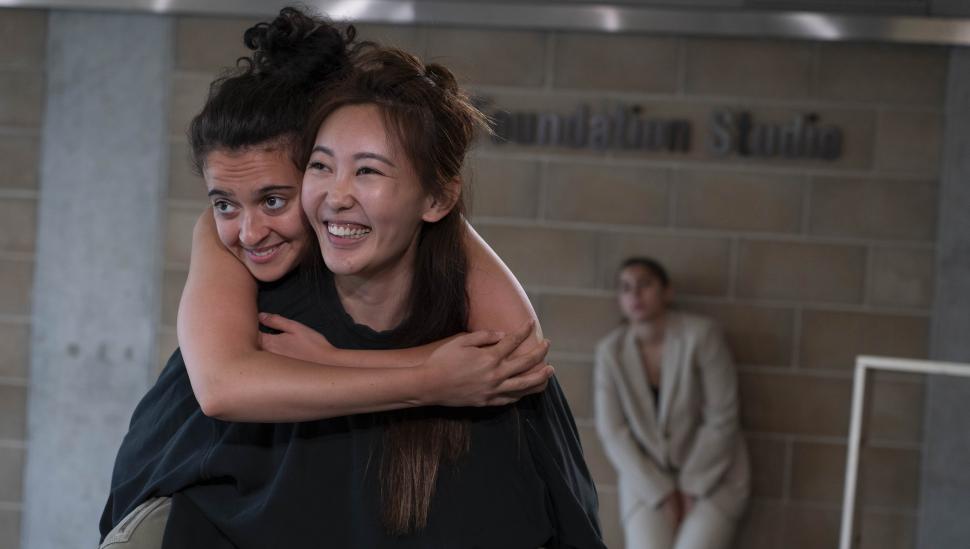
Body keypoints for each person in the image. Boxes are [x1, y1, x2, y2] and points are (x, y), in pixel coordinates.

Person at [99, 10, 555, 548]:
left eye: (275, 199)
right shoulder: (222, 236)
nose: (250, 231)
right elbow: (224, 387)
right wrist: (429, 379)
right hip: (204, 468)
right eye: (225, 203)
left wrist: (335, 360)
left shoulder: (390, 216)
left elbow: (515, 352)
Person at [594, 257, 750, 549]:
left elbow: (723, 417)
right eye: (626, 288)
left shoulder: (702, 335)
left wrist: (691, 486)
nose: (635, 295)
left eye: (645, 285)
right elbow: (613, 431)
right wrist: (662, 491)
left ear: (667, 292)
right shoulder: (610, 352)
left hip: (715, 475)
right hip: (646, 481)